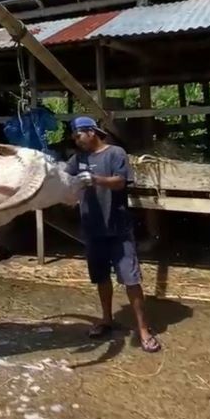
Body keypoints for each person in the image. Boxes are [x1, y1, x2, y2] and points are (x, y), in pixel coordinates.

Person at [65, 116, 161, 353]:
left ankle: (144, 330)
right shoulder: (77, 159)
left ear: (91, 132)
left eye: (79, 136)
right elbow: (64, 178)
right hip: (92, 228)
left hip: (118, 228)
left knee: (131, 278)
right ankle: (106, 319)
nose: (77, 141)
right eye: (74, 138)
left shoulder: (115, 153)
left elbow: (120, 182)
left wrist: (94, 179)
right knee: (100, 277)